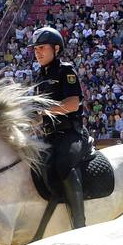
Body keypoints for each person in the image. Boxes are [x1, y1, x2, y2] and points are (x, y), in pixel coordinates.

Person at [31, 25, 89, 229]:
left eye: (42, 48)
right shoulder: (39, 77)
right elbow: (37, 115)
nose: (37, 53)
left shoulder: (66, 70)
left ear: (56, 49)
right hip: (47, 136)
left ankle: (79, 223)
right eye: (35, 49)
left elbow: (73, 103)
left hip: (69, 134)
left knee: (64, 165)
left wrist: (43, 112)